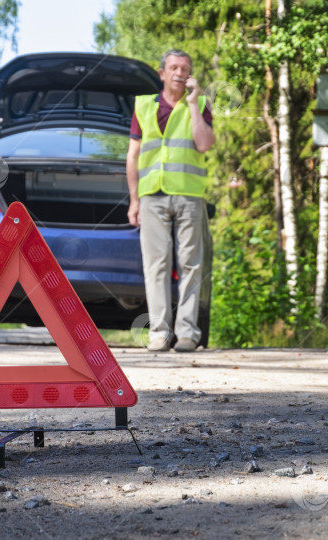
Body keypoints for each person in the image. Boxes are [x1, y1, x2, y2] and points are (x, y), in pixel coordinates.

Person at [126, 49, 215, 353]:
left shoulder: (201, 104)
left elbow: (204, 144)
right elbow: (133, 155)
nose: (180, 73)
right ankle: (160, 333)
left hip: (189, 196)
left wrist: (192, 105)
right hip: (152, 196)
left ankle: (187, 333)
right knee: (156, 266)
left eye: (185, 69)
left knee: (191, 264)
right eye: (174, 68)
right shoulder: (143, 107)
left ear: (190, 76)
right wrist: (134, 200)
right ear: (162, 73)